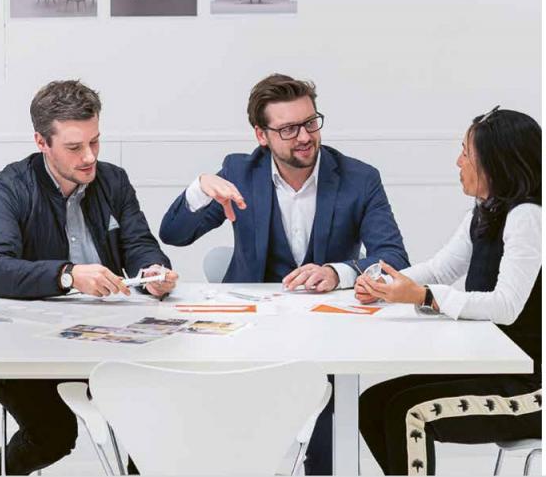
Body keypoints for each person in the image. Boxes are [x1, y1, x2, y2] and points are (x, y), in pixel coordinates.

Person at [159, 73, 409, 475]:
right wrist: (201, 187)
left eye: (310, 123)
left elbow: (394, 258)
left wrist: (338, 272)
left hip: (326, 333)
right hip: (245, 335)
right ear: (262, 135)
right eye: (289, 129)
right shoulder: (240, 173)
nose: (305, 136)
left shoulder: (359, 179)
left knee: (328, 426)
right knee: (222, 432)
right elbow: (174, 234)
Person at [0, 80, 178, 475]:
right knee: (52, 434)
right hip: (26, 349)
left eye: (95, 142)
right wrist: (68, 276)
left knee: (154, 421)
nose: (89, 157)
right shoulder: (10, 186)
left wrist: (152, 271)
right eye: (74, 147)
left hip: (106, 342)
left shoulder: (113, 181)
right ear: (42, 142)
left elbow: (139, 244)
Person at [357, 107, 541, 476]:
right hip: (498, 369)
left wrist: (424, 296)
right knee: (373, 404)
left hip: (533, 386)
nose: (458, 162)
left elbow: (506, 306)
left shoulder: (528, 217)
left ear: (497, 164)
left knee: (409, 413)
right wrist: (383, 285)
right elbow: (441, 268)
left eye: (466, 154)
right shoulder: (485, 212)